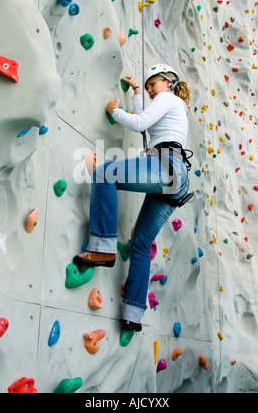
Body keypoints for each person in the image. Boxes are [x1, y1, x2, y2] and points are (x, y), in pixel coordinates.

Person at [73, 63, 193, 346]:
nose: (151, 90)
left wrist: (115, 111)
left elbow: (139, 123)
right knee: (141, 245)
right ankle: (133, 314)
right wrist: (137, 91)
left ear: (169, 82)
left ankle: (102, 248)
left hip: (165, 165)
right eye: (148, 86)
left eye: (153, 84)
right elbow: (145, 119)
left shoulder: (167, 98)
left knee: (104, 173)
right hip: (176, 178)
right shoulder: (172, 103)